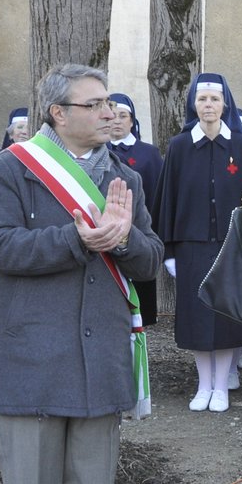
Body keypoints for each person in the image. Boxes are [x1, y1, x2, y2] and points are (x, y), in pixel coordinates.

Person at [0, 64, 162, 484]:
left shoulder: (123, 176)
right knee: (30, 472)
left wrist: (125, 238)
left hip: (100, 344)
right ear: (59, 113)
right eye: (97, 104)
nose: (111, 112)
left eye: (110, 103)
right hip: (35, 345)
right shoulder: (10, 170)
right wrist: (76, 238)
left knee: (91, 472)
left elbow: (152, 259)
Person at [155, 74, 242, 412]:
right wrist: (168, 250)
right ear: (192, 105)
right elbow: (167, 198)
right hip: (191, 246)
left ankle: (222, 386)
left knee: (226, 316)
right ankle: (204, 384)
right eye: (202, 100)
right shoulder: (180, 146)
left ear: (225, 103)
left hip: (232, 246)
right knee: (197, 315)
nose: (208, 105)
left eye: (214, 99)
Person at [106, 92, 163, 328]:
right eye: (113, 115)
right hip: (106, 236)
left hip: (138, 232)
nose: (117, 121)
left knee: (139, 301)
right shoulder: (99, 151)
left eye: (123, 116)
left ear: (132, 121)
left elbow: (158, 192)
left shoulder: (148, 153)